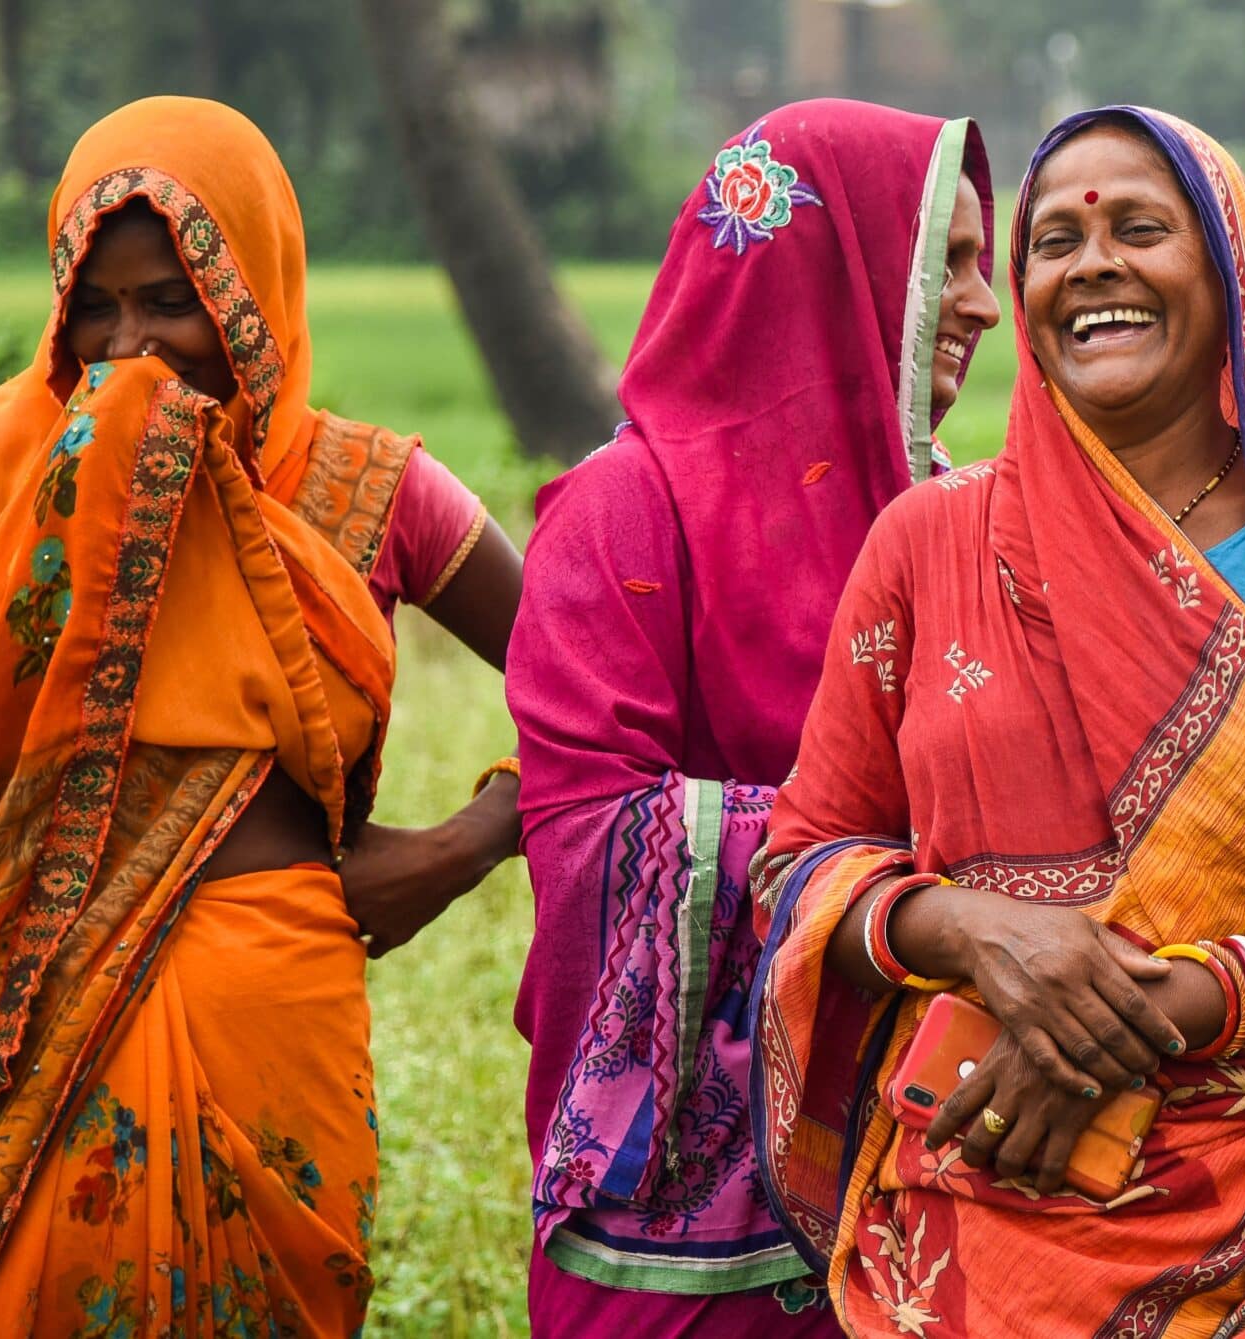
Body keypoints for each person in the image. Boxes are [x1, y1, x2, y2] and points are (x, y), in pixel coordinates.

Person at [749, 105, 1245, 1338]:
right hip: (971, 1212)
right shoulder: (930, 542)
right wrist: (984, 934)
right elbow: (806, 862)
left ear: (1230, 273)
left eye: (1141, 229)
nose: (1092, 263)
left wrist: (1138, 1019)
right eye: (1054, 241)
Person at [0, 96, 522, 1336]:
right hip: (26, 1019)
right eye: (94, 303)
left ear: (253, 286)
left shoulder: (357, 485)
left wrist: (464, 845)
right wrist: (74, 501)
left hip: (273, 1015)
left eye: (170, 298)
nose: (131, 343)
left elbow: (601, 680)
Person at [504, 100, 999, 1336]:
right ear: (842, 271)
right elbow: (587, 836)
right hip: (671, 1226)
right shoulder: (620, 516)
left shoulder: (956, 522)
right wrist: (913, 885)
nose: (988, 305)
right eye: (948, 259)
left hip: (926, 1164)